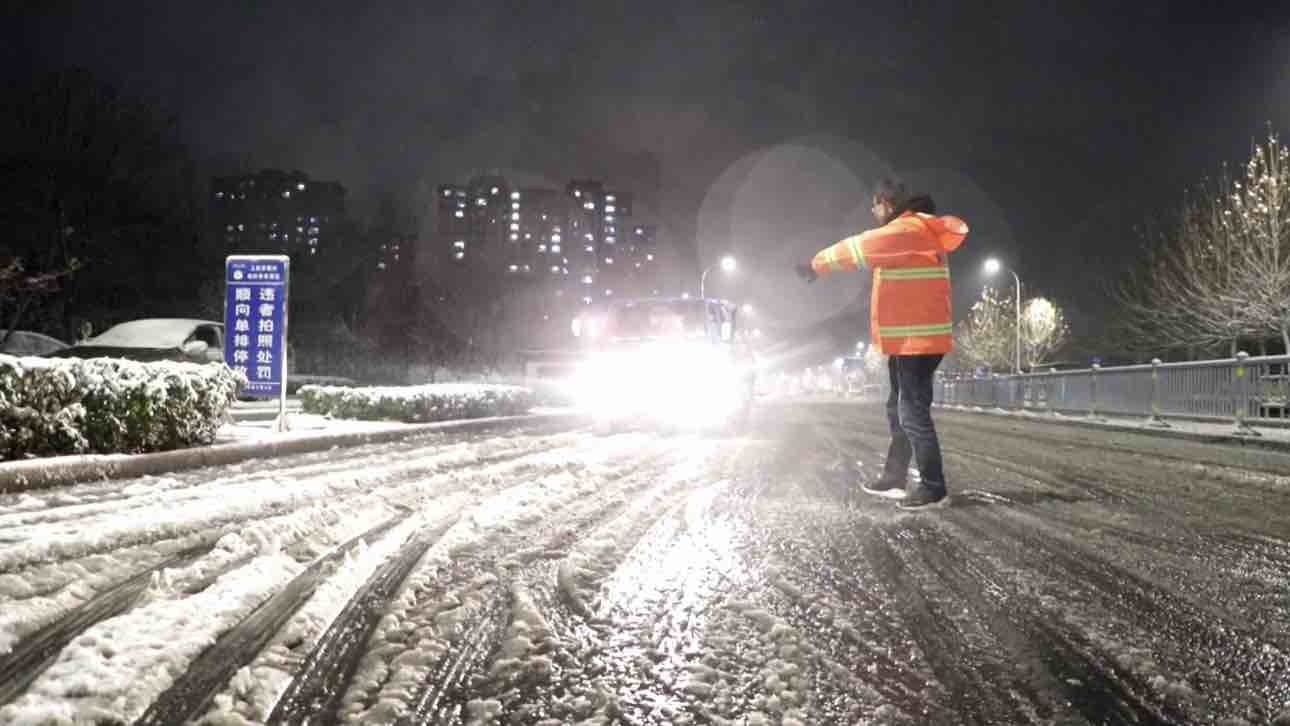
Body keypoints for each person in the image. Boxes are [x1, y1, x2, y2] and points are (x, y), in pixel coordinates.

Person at [795, 178, 968, 508]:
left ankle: (934, 486)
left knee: (912, 413)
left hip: (917, 340)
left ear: (887, 204)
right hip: (912, 339)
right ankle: (894, 477)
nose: (873, 211)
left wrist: (817, 265)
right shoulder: (915, 232)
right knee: (899, 408)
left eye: (875, 205)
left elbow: (857, 248)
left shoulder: (904, 231)